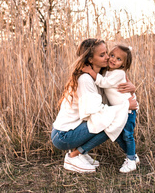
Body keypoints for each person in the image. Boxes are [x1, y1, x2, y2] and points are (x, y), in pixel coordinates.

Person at [51, 39, 138, 173]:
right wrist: (126, 105)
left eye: (107, 53)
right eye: (102, 55)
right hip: (63, 136)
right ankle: (73, 157)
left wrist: (132, 87)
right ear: (90, 59)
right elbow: (95, 113)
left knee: (112, 118)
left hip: (72, 129)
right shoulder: (85, 79)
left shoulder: (100, 76)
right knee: (111, 120)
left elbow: (115, 85)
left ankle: (80, 153)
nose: (109, 57)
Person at [82, 44, 139, 173]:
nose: (113, 59)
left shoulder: (119, 73)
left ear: (124, 64)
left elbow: (104, 83)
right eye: (112, 55)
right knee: (119, 135)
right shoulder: (109, 71)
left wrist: (90, 72)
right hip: (120, 110)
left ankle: (131, 160)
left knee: (127, 135)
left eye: (118, 59)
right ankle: (132, 156)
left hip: (128, 110)